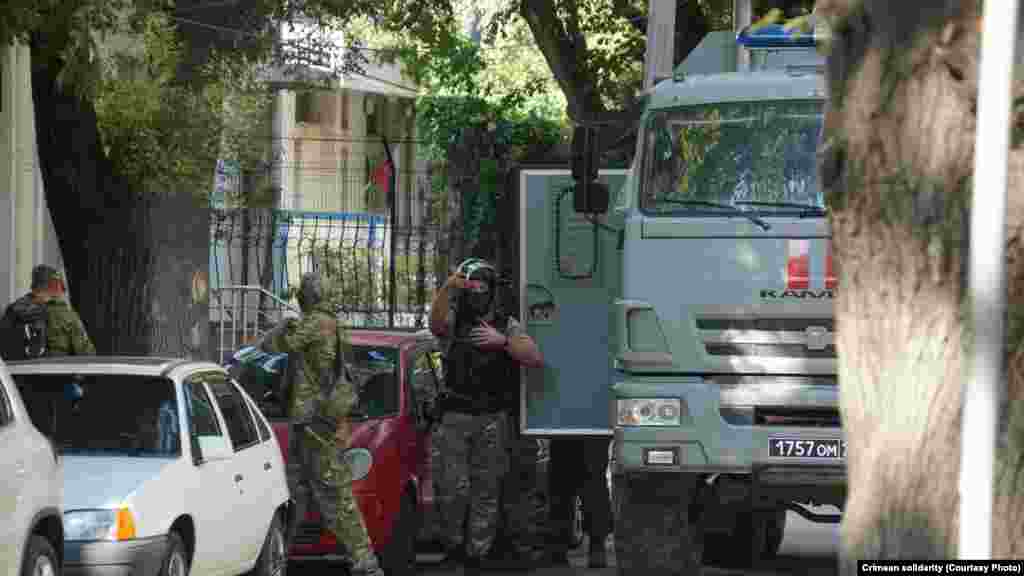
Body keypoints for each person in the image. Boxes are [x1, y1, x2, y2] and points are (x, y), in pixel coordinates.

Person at [258, 272, 383, 576]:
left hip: (315, 424)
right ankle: (279, 558)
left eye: (302, 293)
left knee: (334, 495)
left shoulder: (315, 323)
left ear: (308, 297)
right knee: (293, 494)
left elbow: (271, 346)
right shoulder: (329, 323)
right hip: (312, 424)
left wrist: (282, 326)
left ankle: (365, 561)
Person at [429, 258, 544, 576]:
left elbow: (534, 357)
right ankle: (453, 547)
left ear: (492, 291)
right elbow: (435, 325)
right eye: (471, 288)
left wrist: (502, 342)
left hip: (491, 417)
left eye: (482, 288)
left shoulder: (507, 324)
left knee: (486, 489)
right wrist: (447, 288)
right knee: (452, 489)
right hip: (455, 416)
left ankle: (476, 553)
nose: (477, 295)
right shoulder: (455, 319)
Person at [1, 265, 95, 359]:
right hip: (56, 366)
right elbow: (86, 354)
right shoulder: (66, 314)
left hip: (17, 367)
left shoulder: (13, 309)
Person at [547, 436, 613, 568]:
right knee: (593, 485)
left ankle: (558, 550)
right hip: (592, 432)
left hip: (566, 432)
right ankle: (596, 548)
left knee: (562, 486)